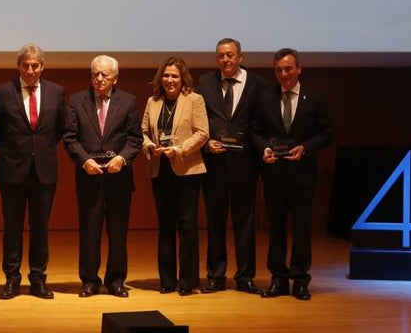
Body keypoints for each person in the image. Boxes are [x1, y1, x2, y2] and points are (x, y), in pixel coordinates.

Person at [253, 48, 334, 301]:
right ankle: (278, 279)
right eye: (279, 70)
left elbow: (326, 134)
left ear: (299, 69)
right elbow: (255, 132)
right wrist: (264, 148)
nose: (284, 74)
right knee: (275, 229)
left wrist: (306, 148)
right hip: (274, 176)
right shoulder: (266, 98)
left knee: (301, 230)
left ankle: (300, 280)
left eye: (288, 69)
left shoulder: (315, 98)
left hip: (302, 177)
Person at [63, 55, 142, 298]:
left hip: (119, 178)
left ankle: (116, 280)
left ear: (115, 78)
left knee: (118, 232)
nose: (99, 78)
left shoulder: (128, 101)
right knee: (89, 232)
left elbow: (134, 139)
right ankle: (89, 280)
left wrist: (122, 158)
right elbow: (70, 138)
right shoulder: (77, 101)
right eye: (95, 74)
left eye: (104, 75)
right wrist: (84, 161)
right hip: (88, 177)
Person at [0, 44, 66, 300]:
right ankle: (11, 279)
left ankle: (38, 279)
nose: (30, 70)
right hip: (12, 171)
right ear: (19, 67)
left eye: (35, 65)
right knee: (12, 229)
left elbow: (59, 131)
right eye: (25, 65)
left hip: (44, 171)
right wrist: (17, 153)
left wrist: (38, 152)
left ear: (42, 67)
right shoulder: (2, 92)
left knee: (40, 229)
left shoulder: (57, 92)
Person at [194, 37, 264, 294]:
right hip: (214, 165)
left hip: (245, 166)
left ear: (240, 57)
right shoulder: (204, 83)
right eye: (221, 56)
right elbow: (198, 119)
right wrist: (206, 143)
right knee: (214, 223)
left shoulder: (258, 84)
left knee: (245, 224)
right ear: (217, 59)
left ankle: (245, 276)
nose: (226, 60)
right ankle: (215, 276)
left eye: (230, 55)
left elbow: (259, 123)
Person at [141, 56, 209, 296]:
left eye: (175, 76)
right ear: (161, 78)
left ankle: (188, 281)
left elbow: (203, 133)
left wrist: (179, 150)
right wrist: (149, 147)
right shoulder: (153, 101)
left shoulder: (194, 100)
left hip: (187, 169)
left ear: (183, 79)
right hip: (161, 170)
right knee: (165, 226)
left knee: (188, 227)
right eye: (166, 75)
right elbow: (143, 132)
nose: (170, 80)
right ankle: (167, 280)